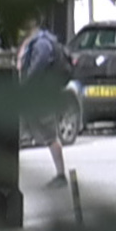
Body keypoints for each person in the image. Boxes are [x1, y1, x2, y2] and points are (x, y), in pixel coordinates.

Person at [15, 18, 71, 181]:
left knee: (50, 136)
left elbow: (35, 71)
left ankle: (61, 175)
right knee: (15, 132)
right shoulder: (33, 41)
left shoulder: (42, 44)